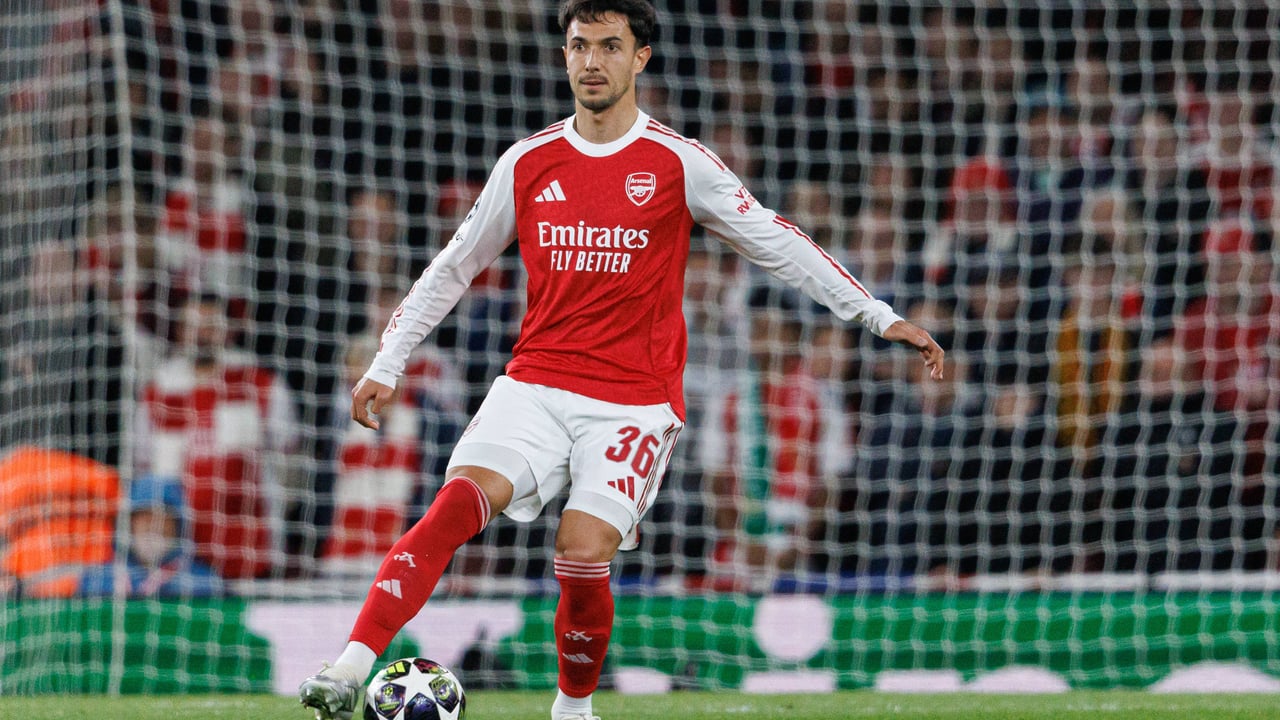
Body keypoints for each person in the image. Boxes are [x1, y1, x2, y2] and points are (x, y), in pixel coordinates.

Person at [297, 3, 945, 719]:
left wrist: (876, 314)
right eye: (580, 46)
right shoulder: (528, 161)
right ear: (564, 54)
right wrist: (388, 360)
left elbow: (777, 240)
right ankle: (348, 669)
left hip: (634, 400)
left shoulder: (678, 162)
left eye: (610, 46)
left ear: (640, 58)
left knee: (581, 550)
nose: (592, 61)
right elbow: (455, 265)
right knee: (454, 506)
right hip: (536, 383)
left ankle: (573, 710)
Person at [79, 474, 223, 598]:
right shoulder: (97, 579)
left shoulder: (204, 582)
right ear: (130, 524)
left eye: (162, 517)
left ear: (178, 526)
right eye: (145, 517)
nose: (153, 526)